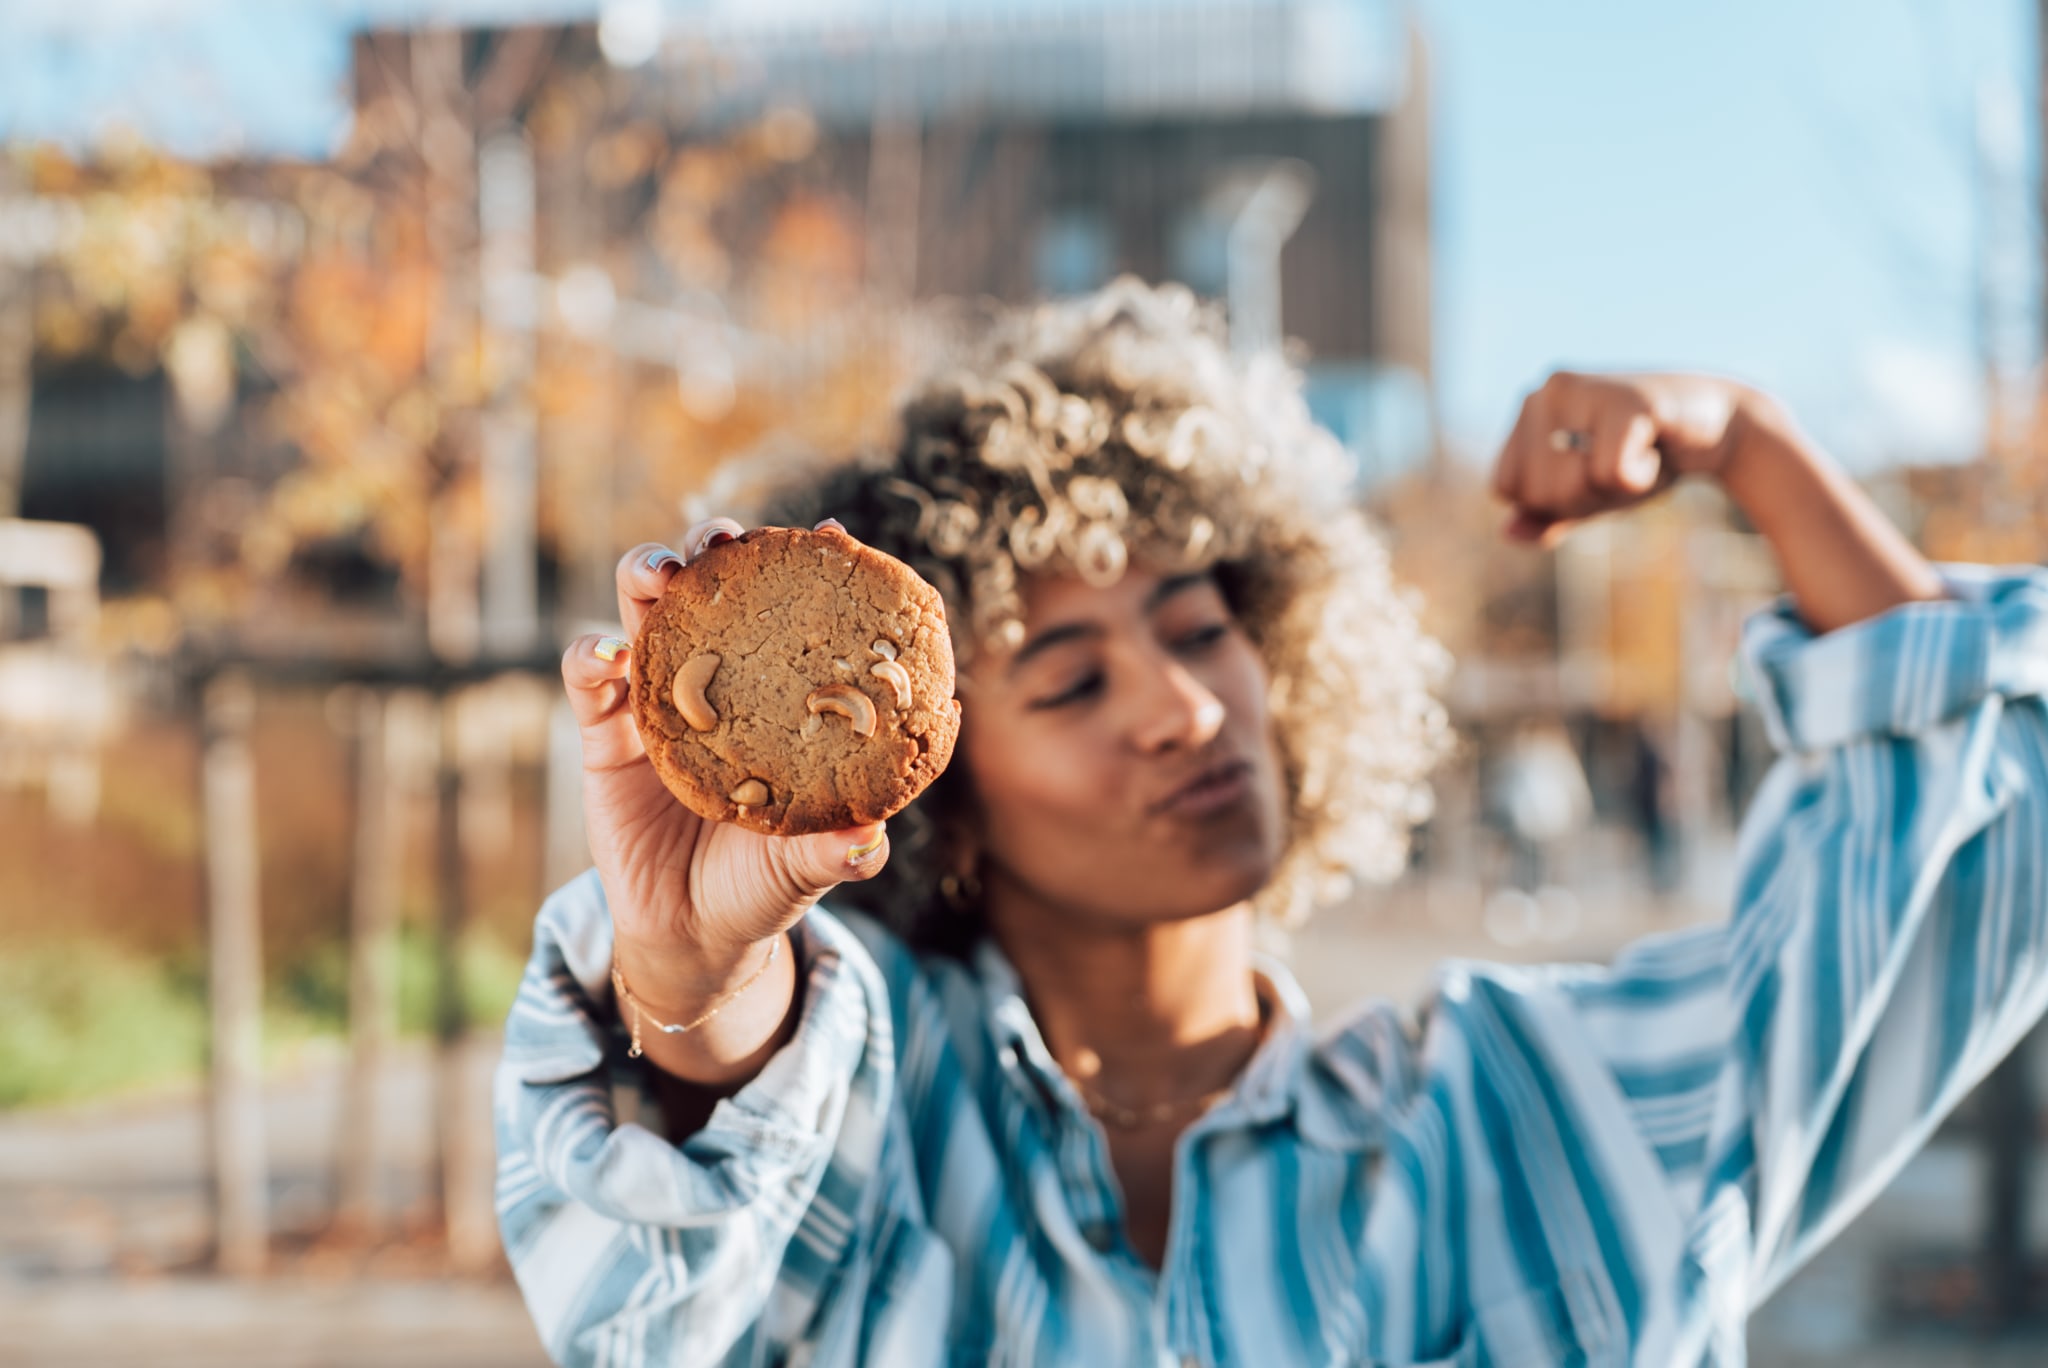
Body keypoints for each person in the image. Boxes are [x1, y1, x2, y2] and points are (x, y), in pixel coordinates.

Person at [498, 279, 2048, 1366]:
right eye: (1071, 678)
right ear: (939, 780)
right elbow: (672, 1249)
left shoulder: (1525, 1119)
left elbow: (1969, 872)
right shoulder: (883, 1120)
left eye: (1200, 623)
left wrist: (1751, 449)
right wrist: (692, 988)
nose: (1181, 706)